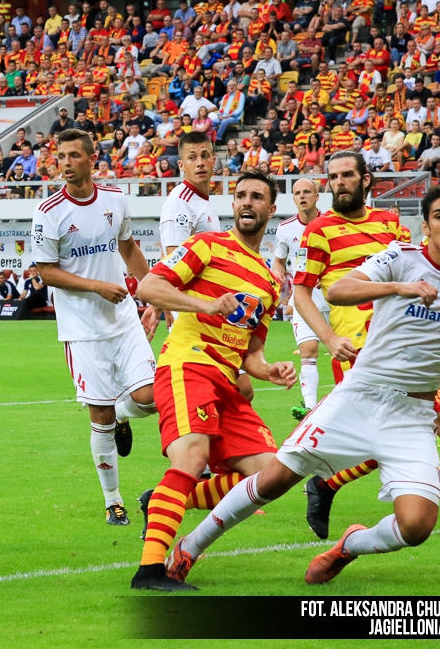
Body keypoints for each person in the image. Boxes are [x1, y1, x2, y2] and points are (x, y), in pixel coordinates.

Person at [164, 186, 440, 588]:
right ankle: (190, 547)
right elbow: (338, 290)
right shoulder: (400, 258)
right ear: (425, 226)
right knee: (274, 480)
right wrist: (398, 288)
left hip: (412, 416)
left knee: (416, 526)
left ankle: (348, 545)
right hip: (359, 397)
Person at [293, 151, 440, 542]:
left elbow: (419, 271)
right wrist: (328, 337)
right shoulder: (319, 231)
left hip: (406, 348)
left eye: (347, 175)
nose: (339, 183)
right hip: (361, 354)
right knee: (396, 434)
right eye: (333, 177)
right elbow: (301, 293)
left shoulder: (390, 223)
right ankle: (322, 483)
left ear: (365, 179)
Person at [129, 169, 295, 591]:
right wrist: (205, 304)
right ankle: (150, 571)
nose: (247, 202)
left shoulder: (269, 282)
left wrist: (269, 370)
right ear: (233, 204)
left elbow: (251, 353)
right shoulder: (206, 244)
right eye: (241, 195)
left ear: (271, 209)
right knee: (192, 457)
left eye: (257, 196)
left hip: (227, 380)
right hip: (188, 365)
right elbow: (149, 286)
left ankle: (163, 499)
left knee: (270, 474)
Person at [32, 129, 158, 525]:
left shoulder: (115, 199)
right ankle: (113, 500)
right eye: (61, 156)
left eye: (73, 155)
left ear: (91, 159)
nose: (65, 163)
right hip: (82, 330)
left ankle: (123, 413)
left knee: (152, 397)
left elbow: (128, 248)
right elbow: (46, 271)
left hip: (124, 321)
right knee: (98, 416)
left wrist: (154, 296)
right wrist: (97, 286)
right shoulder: (49, 212)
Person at [155, 131, 256, 404]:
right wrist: (168, 308)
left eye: (204, 156)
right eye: (192, 157)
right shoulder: (179, 203)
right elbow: (172, 263)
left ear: (214, 161)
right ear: (181, 165)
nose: (199, 162)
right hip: (193, 313)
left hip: (213, 307)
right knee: (220, 391)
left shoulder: (203, 201)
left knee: (239, 390)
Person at [273, 179, 329, 415]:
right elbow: (279, 261)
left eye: (307, 192)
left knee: (348, 353)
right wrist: (277, 275)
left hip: (335, 300)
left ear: (317, 196)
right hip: (304, 299)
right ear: (293, 198)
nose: (302, 196)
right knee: (308, 350)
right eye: (298, 193)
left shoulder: (332, 223)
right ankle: (309, 408)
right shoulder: (285, 229)